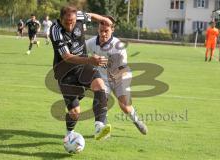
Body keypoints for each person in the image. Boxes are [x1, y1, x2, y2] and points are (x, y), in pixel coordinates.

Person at [50, 5, 114, 140]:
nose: (70, 25)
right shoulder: (55, 30)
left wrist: (103, 19)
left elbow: (90, 16)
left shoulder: (79, 16)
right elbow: (67, 57)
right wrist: (90, 59)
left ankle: (99, 127)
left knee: (100, 86)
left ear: (75, 18)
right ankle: (69, 134)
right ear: (60, 19)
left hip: (82, 66)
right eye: (67, 23)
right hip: (65, 72)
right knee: (75, 112)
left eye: (72, 22)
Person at [86, 16, 148, 135]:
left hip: (119, 78)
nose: (103, 34)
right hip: (103, 78)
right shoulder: (91, 42)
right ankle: (102, 129)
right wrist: (89, 60)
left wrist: (103, 62)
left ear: (112, 30)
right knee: (101, 101)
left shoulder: (118, 46)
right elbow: (79, 52)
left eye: (106, 31)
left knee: (125, 106)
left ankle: (136, 120)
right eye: (101, 31)